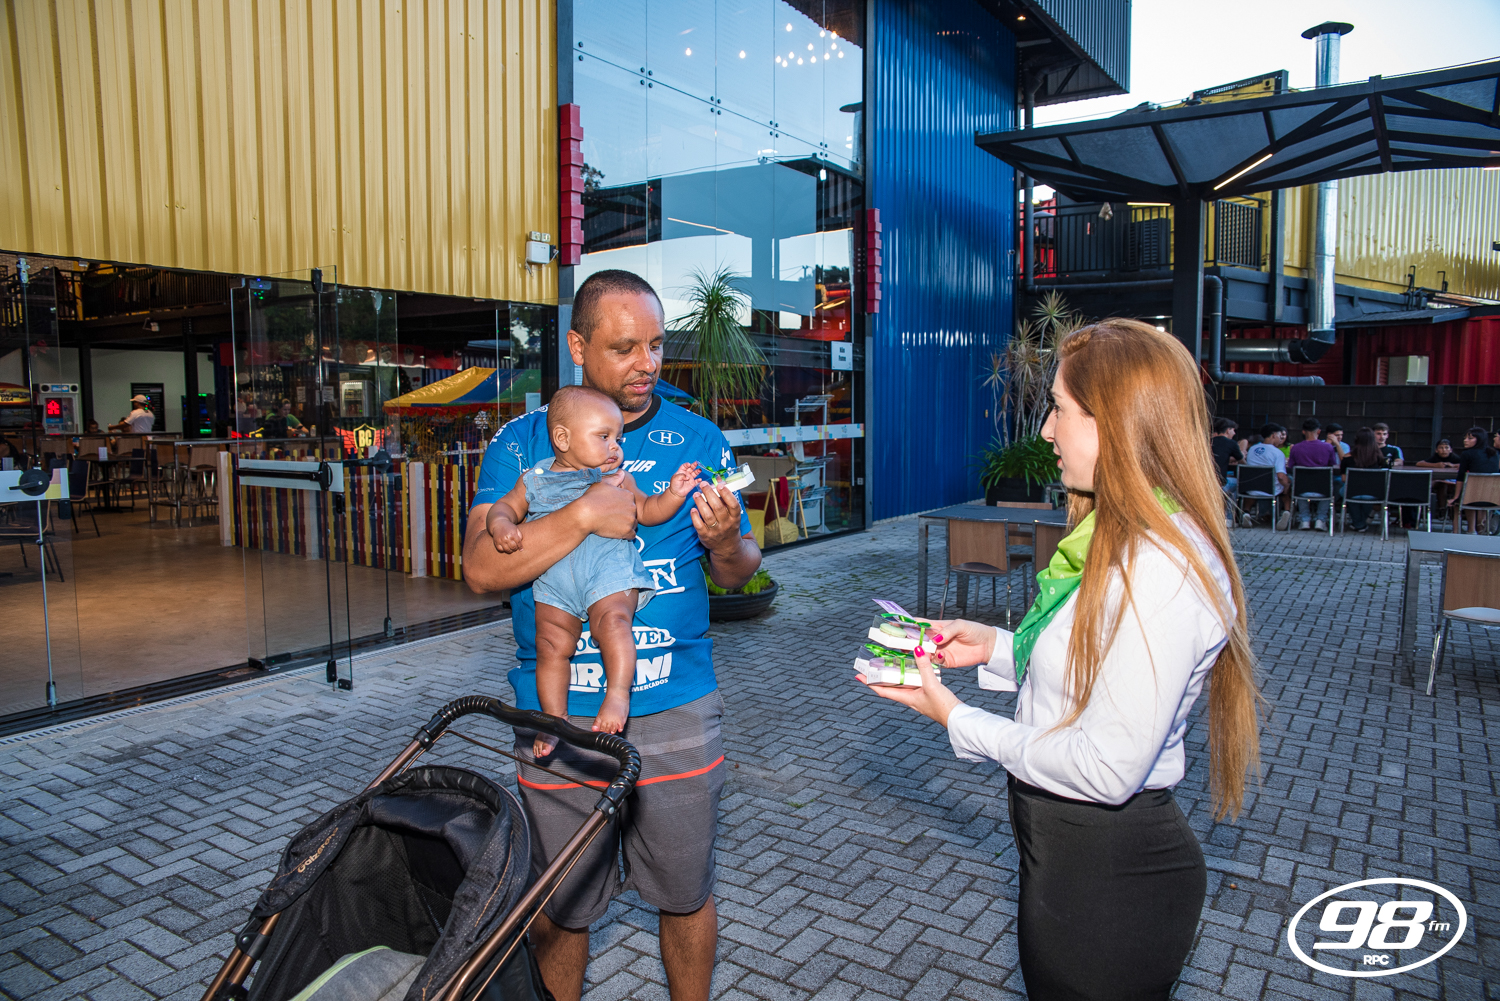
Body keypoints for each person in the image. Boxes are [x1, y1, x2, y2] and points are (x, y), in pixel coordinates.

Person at [861, 318, 1260, 1001]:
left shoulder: (1158, 567)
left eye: (1060, 409)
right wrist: (995, 647)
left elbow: (1104, 766)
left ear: (1117, 423)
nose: (1046, 430)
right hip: (1072, 864)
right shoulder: (1119, 535)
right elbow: (1097, 666)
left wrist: (956, 718)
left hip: (1108, 881)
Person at [462, 270, 760, 1001]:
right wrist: (583, 516)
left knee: (685, 893)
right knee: (561, 907)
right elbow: (479, 567)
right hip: (558, 720)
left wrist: (726, 541)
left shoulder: (699, 438)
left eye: (655, 345)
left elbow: (739, 570)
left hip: (677, 708)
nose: (646, 363)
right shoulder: (521, 443)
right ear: (577, 346)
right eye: (624, 347)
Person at [484, 386, 703, 752]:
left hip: (609, 575)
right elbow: (503, 507)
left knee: (614, 624)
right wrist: (502, 525)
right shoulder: (533, 479)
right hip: (554, 583)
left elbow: (648, 511)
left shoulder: (618, 479)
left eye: (618, 439)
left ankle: (617, 695)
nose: (615, 447)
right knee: (550, 645)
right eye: (604, 437)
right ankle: (554, 720)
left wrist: (674, 494)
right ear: (562, 439)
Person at [1287, 418, 1339, 530]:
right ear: (1319, 431)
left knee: (1298, 482)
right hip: (1322, 489)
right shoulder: (1328, 447)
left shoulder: (1296, 448)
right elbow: (1332, 465)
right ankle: (1321, 520)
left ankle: (1304, 520)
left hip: (1301, 489)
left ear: (1303, 431)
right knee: (1329, 485)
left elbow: (1290, 466)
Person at [1340, 428, 1389, 532]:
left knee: (1347, 492)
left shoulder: (1347, 457)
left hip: (1352, 491)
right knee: (1367, 496)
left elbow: (1344, 479)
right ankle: (1360, 523)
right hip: (1372, 492)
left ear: (1356, 440)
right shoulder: (1379, 457)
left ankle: (1358, 523)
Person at [1244, 423, 1291, 530]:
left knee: (1251, 492)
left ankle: (1246, 512)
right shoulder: (1277, 453)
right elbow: (1280, 476)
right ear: (1273, 435)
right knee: (1287, 487)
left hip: (1252, 487)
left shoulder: (1252, 449)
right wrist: (1287, 485)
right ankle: (1287, 512)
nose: (1281, 438)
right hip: (1270, 489)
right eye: (1279, 436)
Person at [1454, 427, 1500, 534]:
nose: (1465, 440)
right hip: (1492, 499)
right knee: (1476, 493)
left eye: (1470, 438)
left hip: (1471, 498)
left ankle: (1468, 530)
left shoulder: (1467, 454)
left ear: (1479, 439)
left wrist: (1455, 497)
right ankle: (1480, 525)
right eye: (1465, 438)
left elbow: (1460, 477)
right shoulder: (1494, 453)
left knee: (1460, 501)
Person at [1417, 439, 1461, 517]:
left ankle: (1453, 510)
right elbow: (1419, 463)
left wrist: (1453, 465)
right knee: (1442, 485)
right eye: (1441, 448)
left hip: (1453, 484)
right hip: (1439, 484)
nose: (1444, 450)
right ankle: (1442, 509)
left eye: (1446, 447)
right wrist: (1435, 465)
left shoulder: (1455, 458)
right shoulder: (1435, 458)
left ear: (1451, 450)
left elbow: (1464, 464)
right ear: (1436, 450)